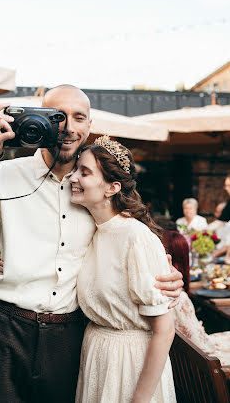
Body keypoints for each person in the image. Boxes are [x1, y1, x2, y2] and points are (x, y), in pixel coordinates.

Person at [0, 85, 183, 403]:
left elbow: (124, 237)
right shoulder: (4, 173)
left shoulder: (93, 187)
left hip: (70, 336)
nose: (68, 127)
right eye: (58, 116)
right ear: (41, 119)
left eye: (78, 117)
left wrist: (162, 269)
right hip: (4, 330)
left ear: (89, 127)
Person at [69, 136, 176, 403]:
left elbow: (165, 329)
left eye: (84, 172)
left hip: (130, 362)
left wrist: (139, 399)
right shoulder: (94, 230)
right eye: (75, 170)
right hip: (97, 354)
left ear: (112, 187)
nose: (72, 177)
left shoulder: (135, 236)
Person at [162, 230, 230, 367]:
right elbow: (206, 349)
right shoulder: (178, 297)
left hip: (186, 359)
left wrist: (196, 328)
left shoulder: (161, 291)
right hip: (203, 366)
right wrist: (199, 330)